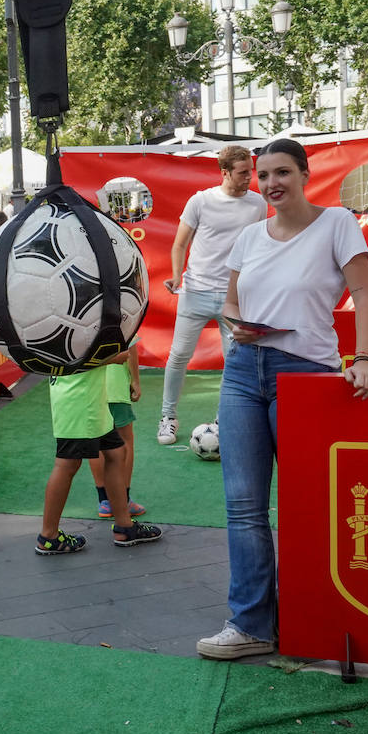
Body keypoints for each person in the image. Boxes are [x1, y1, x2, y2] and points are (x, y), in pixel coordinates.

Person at [196, 138, 368, 661]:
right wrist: (236, 326)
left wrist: (362, 356)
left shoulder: (338, 223)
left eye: (282, 172)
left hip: (305, 375)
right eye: (263, 175)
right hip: (241, 374)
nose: (271, 183)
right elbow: (230, 300)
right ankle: (252, 624)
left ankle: (316, 620)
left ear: (304, 173)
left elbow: (364, 294)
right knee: (244, 506)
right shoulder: (251, 235)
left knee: (307, 507)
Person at [158, 145, 268, 445]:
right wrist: (176, 274)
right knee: (179, 356)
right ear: (225, 172)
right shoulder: (201, 201)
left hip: (234, 297)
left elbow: (258, 248)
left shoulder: (258, 204)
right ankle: (167, 417)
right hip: (195, 291)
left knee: (233, 362)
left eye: (251, 171)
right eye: (243, 172)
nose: (250, 177)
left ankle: (224, 419)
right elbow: (180, 244)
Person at [39, 365, 162, 555]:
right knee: (67, 464)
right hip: (80, 399)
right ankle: (48, 536)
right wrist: (117, 351)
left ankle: (124, 526)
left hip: (89, 398)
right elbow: (105, 354)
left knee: (115, 452)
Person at [91, 345, 147, 520]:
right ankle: (124, 500)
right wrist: (136, 381)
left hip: (90, 388)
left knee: (96, 441)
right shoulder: (124, 316)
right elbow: (131, 348)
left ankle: (105, 501)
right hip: (115, 387)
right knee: (125, 440)